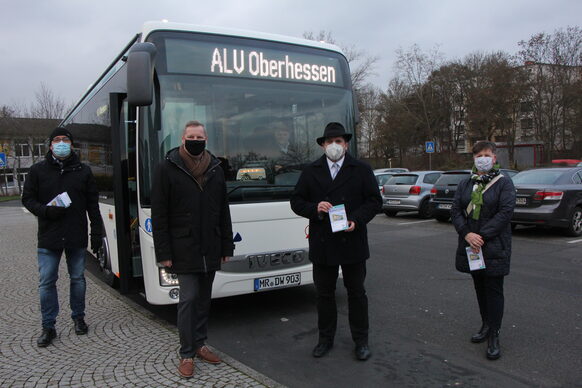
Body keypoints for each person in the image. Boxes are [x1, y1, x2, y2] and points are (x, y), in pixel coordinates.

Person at [290, 122, 381, 361]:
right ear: (322, 145)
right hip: (323, 243)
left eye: (338, 141)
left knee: (357, 294)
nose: (334, 145)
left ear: (346, 143)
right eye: (329, 142)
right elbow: (296, 202)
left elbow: (374, 201)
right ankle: (325, 339)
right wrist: (315, 208)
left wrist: (357, 220)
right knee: (324, 295)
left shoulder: (361, 168)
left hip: (352, 241)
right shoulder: (311, 171)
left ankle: (361, 341)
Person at [151, 120, 234, 378]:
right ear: (182, 138)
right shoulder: (167, 167)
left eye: (200, 136)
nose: (195, 140)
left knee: (204, 300)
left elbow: (223, 211)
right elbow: (159, 214)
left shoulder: (216, 168)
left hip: (211, 244)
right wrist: (163, 253)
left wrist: (226, 244)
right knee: (187, 299)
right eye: (191, 136)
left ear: (206, 139)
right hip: (182, 246)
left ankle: (200, 344)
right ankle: (186, 353)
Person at [22, 127, 104, 347]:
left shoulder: (83, 171)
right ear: (50, 145)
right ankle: (48, 326)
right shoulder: (37, 170)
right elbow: (27, 199)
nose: (61, 143)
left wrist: (97, 232)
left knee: (77, 278)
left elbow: (93, 205)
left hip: (75, 235)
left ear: (71, 144)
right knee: (47, 281)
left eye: (65, 140)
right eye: (56, 140)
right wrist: (46, 211)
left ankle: (79, 317)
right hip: (49, 237)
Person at [450, 141, 516, 360]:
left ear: (495, 158)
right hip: (472, 245)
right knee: (479, 286)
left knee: (494, 289)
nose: (483, 158)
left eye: (487, 154)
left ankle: (495, 335)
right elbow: (456, 210)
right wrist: (467, 234)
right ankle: (486, 325)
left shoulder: (504, 183)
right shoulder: (466, 183)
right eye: (479, 155)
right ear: (474, 158)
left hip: (494, 245)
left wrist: (482, 236)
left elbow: (505, 213)